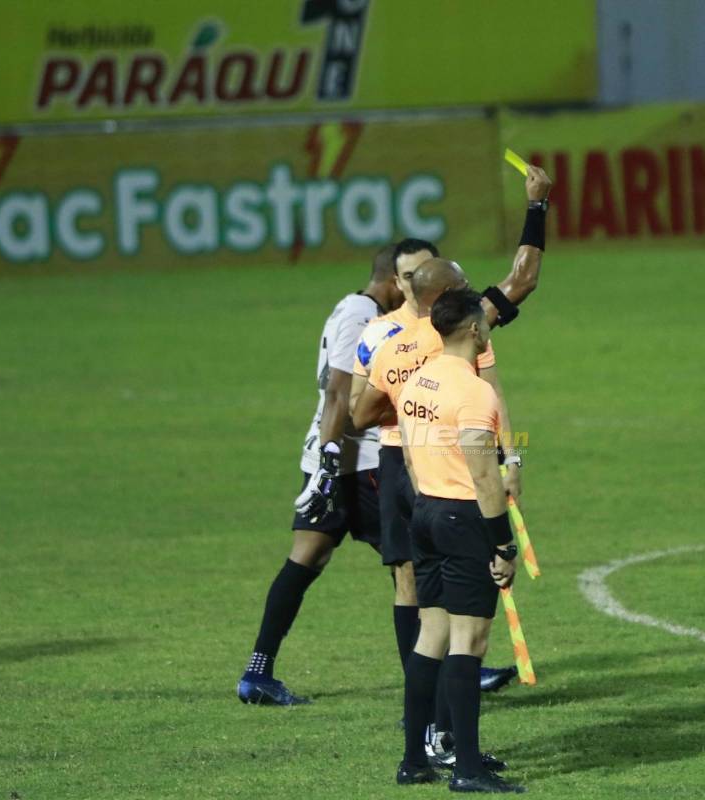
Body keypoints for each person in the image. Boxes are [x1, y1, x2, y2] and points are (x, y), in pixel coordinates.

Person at [346, 165, 551, 702]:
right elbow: (358, 416)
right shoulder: (399, 333)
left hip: (435, 460)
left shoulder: (451, 323)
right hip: (409, 463)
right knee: (416, 586)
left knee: (442, 592)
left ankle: (437, 705)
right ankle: (434, 697)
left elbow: (522, 280)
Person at [236, 245, 403, 705]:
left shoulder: (356, 308)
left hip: (336, 460)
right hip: (359, 463)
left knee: (308, 558)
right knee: (409, 564)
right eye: (405, 282)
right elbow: (338, 395)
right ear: (392, 280)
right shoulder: (361, 315)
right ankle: (447, 671)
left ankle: (258, 671)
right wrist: (330, 467)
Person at [394, 288, 524, 793]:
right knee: (469, 642)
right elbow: (483, 474)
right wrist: (503, 544)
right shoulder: (474, 392)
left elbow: (408, 455)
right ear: (473, 329)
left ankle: (414, 761)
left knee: (431, 638)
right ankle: (466, 769)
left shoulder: (417, 382)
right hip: (462, 516)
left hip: (424, 510)